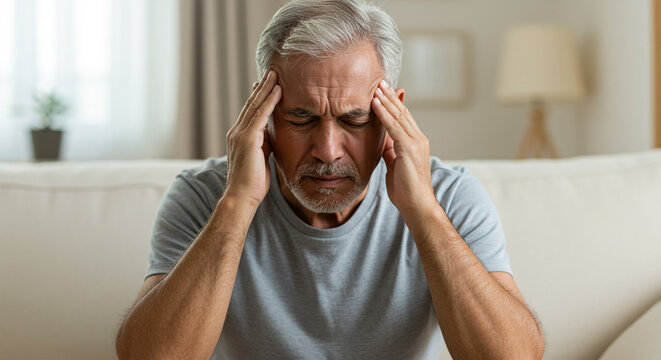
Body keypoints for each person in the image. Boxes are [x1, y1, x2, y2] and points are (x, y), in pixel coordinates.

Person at [115, 0, 545, 359]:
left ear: (392, 115)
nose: (328, 149)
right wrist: (237, 205)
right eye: (300, 118)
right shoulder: (203, 195)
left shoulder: (450, 195)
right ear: (261, 115)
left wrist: (423, 212)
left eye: (355, 120)